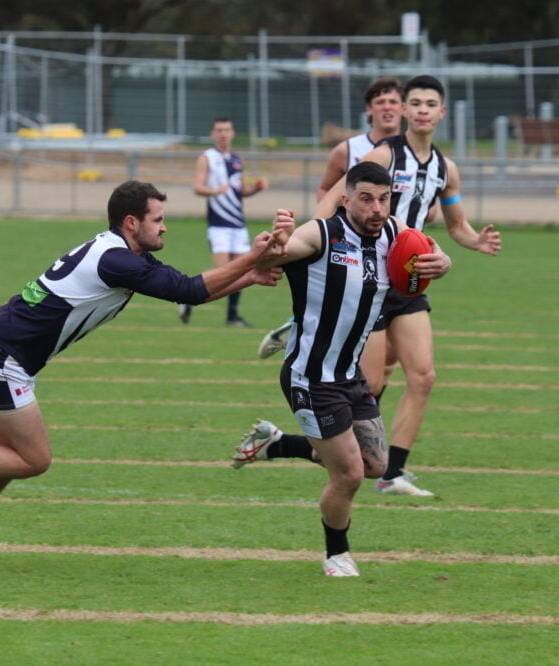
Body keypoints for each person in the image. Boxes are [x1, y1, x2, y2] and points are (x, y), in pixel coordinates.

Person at [0, 180, 286, 568]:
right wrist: (252, 259)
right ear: (132, 222)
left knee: (5, 458)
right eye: (158, 219)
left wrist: (248, 277)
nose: (165, 227)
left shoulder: (122, 253)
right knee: (33, 460)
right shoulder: (116, 260)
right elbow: (187, 289)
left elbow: (189, 292)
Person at [229, 162, 452, 576]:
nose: (376, 209)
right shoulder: (323, 233)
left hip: (350, 376)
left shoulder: (393, 232)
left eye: (383, 199)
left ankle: (275, 444)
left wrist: (443, 262)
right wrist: (276, 243)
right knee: (348, 474)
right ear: (346, 199)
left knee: (375, 466)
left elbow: (431, 251)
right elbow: (283, 251)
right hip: (311, 378)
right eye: (366, 199)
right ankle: (337, 554)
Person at [314, 75, 503, 496]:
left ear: (441, 112)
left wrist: (476, 241)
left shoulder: (445, 169)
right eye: (414, 102)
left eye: (429, 103)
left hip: (411, 280)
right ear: (404, 111)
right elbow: (335, 198)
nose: (420, 109)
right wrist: (315, 236)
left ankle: (391, 473)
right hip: (371, 278)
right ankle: (307, 446)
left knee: (424, 377)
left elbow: (455, 224)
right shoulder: (384, 155)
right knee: (372, 383)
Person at [259, 78, 406, 358]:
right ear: (369, 109)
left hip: (395, 253)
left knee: (391, 360)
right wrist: (319, 236)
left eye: (393, 102)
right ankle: (306, 327)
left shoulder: (412, 153)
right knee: (360, 351)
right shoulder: (349, 150)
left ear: (404, 109)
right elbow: (326, 191)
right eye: (380, 102)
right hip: (351, 252)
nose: (387, 108)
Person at [179, 116, 267, 327]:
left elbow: (239, 191)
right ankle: (186, 295)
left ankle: (232, 317)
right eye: (219, 130)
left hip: (238, 223)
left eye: (227, 130)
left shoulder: (237, 159)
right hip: (218, 224)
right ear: (212, 134)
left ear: (232, 133)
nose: (223, 134)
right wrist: (214, 190)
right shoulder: (206, 157)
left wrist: (254, 189)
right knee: (221, 272)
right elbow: (197, 187)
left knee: (241, 270)